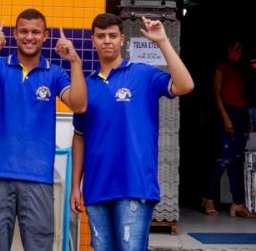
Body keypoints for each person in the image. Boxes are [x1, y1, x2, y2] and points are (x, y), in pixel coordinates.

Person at [70, 14, 195, 251]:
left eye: (112, 35)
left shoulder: (143, 74)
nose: (107, 40)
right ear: (93, 41)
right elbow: (79, 137)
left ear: (122, 39)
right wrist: (75, 185)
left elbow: (185, 85)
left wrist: (162, 41)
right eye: (101, 36)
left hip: (134, 185)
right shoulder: (86, 85)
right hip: (96, 187)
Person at [0, 9, 87, 251]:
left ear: (45, 36)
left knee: (39, 246)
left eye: (36, 32)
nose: (29, 37)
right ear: (15, 34)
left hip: (38, 177)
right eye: (23, 31)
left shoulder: (55, 73)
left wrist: (75, 61)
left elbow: (79, 105)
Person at [202, 38, 256, 218]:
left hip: (241, 115)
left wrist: (248, 120)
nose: (238, 53)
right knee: (224, 158)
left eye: (241, 50)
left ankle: (237, 203)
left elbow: (242, 97)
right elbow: (216, 94)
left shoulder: (239, 72)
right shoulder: (221, 67)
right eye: (236, 49)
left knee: (237, 161)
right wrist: (226, 119)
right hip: (227, 113)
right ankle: (208, 198)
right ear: (228, 50)